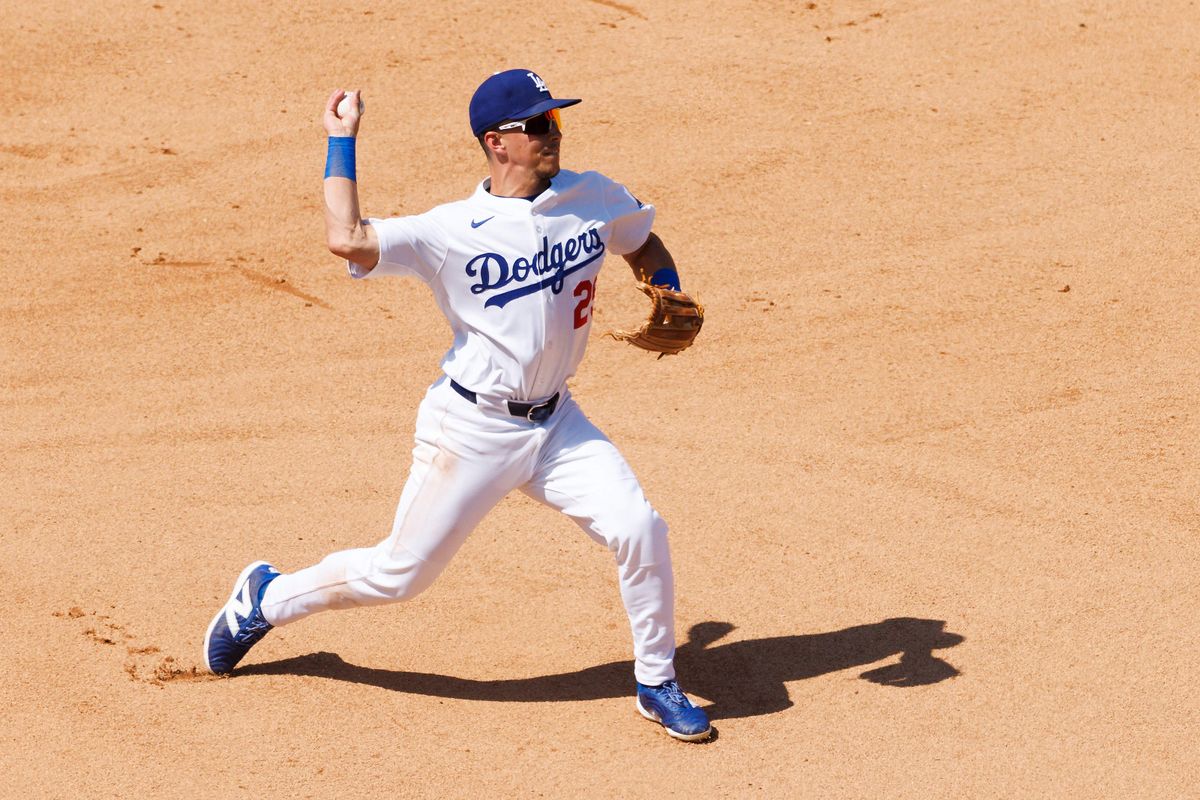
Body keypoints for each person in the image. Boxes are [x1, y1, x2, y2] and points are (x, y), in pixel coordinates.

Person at [202, 69, 710, 742]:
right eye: (539, 125)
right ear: (498, 142)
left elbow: (640, 240)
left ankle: (656, 681)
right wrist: (340, 141)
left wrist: (666, 285)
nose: (553, 133)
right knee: (397, 577)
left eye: (554, 121)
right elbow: (348, 240)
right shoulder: (452, 230)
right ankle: (266, 599)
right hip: (470, 429)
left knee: (640, 529)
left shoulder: (593, 196)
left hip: (558, 425)